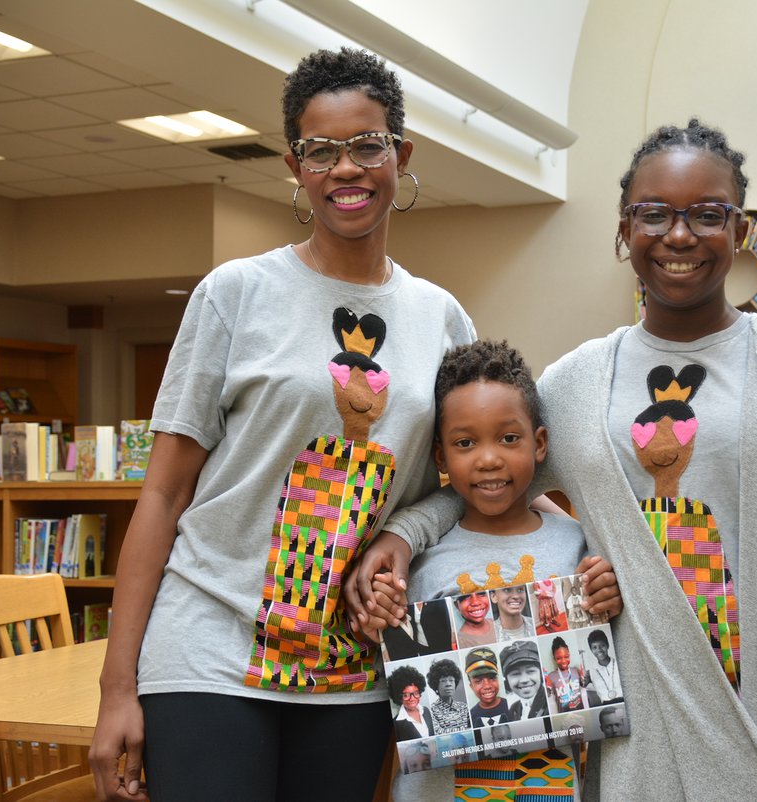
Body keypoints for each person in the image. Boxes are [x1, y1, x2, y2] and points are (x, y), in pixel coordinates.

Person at [366, 119, 757, 801]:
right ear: (623, 229)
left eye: (708, 214)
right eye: (654, 214)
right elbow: (488, 480)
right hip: (629, 731)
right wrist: (405, 534)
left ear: (738, 230)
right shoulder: (576, 383)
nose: (679, 234)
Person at [87, 47, 476, 802]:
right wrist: (116, 687)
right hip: (207, 650)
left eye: (366, 145)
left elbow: (465, 484)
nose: (346, 169)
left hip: (353, 669)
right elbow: (163, 496)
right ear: (296, 168)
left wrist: (401, 535)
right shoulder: (236, 293)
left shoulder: (442, 318)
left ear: (401, 154)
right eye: (320, 152)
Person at [372, 339, 622, 802]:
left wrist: (606, 597)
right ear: (441, 457)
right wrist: (379, 615)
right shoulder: (419, 560)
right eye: (465, 443)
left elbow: (597, 659)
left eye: (509, 438)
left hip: (547, 786)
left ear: (540, 443)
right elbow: (397, 671)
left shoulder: (577, 545)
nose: (489, 458)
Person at [501, 639, 549, 721]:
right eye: (515, 674)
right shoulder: (513, 709)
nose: (524, 680)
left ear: (540, 674)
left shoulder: (549, 704)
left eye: (530, 671)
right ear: (507, 680)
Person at [390, 664, 435, 741]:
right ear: (399, 698)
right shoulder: (396, 724)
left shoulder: (426, 711)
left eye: (416, 693)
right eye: (406, 695)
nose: (412, 698)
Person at [544, 635, 588, 713]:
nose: (563, 661)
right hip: (564, 716)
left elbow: (584, 685)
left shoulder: (576, 670)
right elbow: (547, 695)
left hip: (581, 712)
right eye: (559, 658)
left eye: (566, 656)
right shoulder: (550, 677)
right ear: (554, 658)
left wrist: (584, 675)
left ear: (569, 655)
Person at [426, 658, 471, 734]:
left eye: (451, 680)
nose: (448, 684)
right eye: (443, 681)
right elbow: (439, 733)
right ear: (436, 685)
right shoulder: (432, 711)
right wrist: (466, 730)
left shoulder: (464, 707)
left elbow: (474, 727)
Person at [584, 629, 623, 704]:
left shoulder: (620, 663)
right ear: (591, 650)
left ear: (607, 645)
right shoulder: (591, 672)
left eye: (602, 645)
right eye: (594, 647)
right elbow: (583, 687)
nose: (599, 650)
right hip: (606, 706)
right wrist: (583, 681)